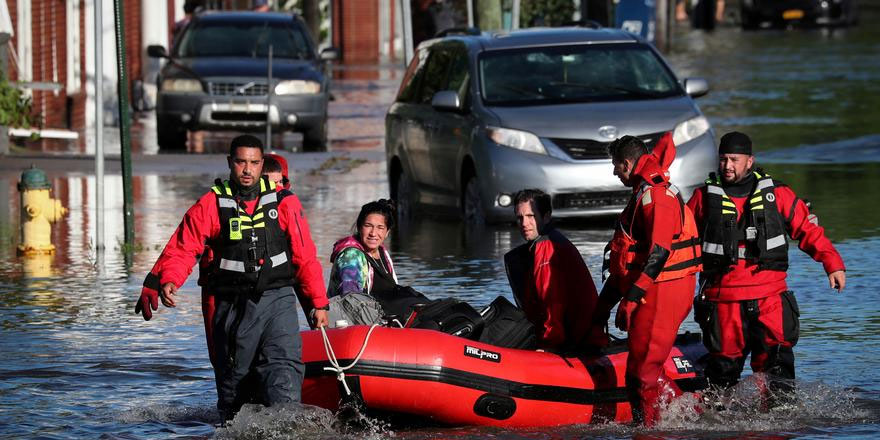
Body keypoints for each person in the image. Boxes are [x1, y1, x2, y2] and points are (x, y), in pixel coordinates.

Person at [135, 134, 329, 419]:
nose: (247, 170)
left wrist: (318, 303)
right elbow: (184, 246)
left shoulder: (285, 202)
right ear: (230, 162)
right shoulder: (211, 203)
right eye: (241, 162)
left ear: (262, 164)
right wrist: (170, 279)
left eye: (254, 163)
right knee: (235, 390)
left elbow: (305, 255)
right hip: (232, 307)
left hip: (278, 302)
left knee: (284, 373)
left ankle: (288, 427)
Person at [687, 131, 846, 400]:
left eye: (734, 160)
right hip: (724, 301)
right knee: (721, 376)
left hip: (769, 298)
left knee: (778, 370)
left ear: (750, 161)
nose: (727, 166)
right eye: (723, 159)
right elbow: (679, 241)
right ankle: (718, 418)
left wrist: (833, 264)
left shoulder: (778, 194)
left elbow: (808, 231)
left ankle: (781, 418)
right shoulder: (703, 198)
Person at [595, 133, 702, 426]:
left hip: (663, 289)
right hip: (653, 288)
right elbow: (628, 259)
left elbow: (659, 252)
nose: (614, 172)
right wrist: (604, 306)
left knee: (643, 373)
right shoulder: (643, 193)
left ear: (627, 163)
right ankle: (688, 417)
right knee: (641, 369)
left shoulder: (655, 196)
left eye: (615, 165)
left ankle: (650, 430)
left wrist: (631, 298)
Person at [502, 189, 605, 353]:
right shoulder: (546, 243)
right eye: (520, 217)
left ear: (546, 217)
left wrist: (548, 345)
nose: (524, 223)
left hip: (579, 344)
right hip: (578, 337)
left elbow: (552, 302)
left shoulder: (547, 247)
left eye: (531, 216)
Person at [327, 199, 399, 299]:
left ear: (387, 232)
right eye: (368, 226)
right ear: (359, 227)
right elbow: (351, 299)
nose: (373, 233)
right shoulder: (351, 256)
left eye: (380, 227)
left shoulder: (382, 251)